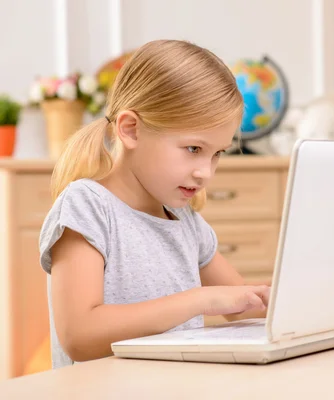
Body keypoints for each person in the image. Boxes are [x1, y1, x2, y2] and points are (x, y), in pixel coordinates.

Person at [38, 40, 271, 369]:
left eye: (217, 153)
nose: (205, 172)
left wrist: (291, 296)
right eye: (193, 148)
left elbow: (239, 301)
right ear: (131, 129)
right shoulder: (87, 207)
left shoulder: (184, 220)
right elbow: (79, 336)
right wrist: (200, 299)